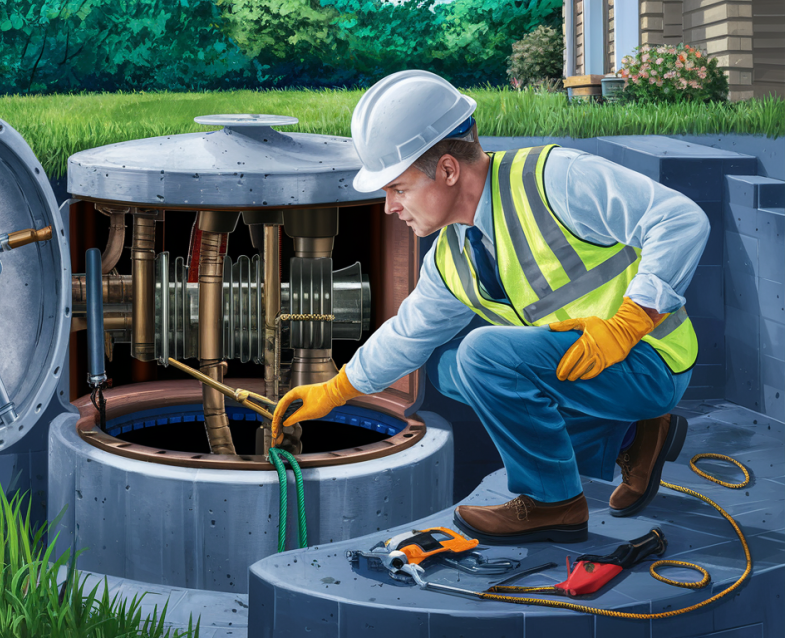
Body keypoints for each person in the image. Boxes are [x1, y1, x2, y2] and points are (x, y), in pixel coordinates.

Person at [270, 70, 708, 544]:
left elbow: (681, 219)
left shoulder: (553, 179)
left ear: (448, 171)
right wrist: (335, 390)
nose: (389, 208)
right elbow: (409, 333)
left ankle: (554, 503)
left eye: (397, 189)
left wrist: (629, 323)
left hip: (647, 357)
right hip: (587, 366)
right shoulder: (451, 256)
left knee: (483, 357)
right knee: (450, 370)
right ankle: (633, 435)